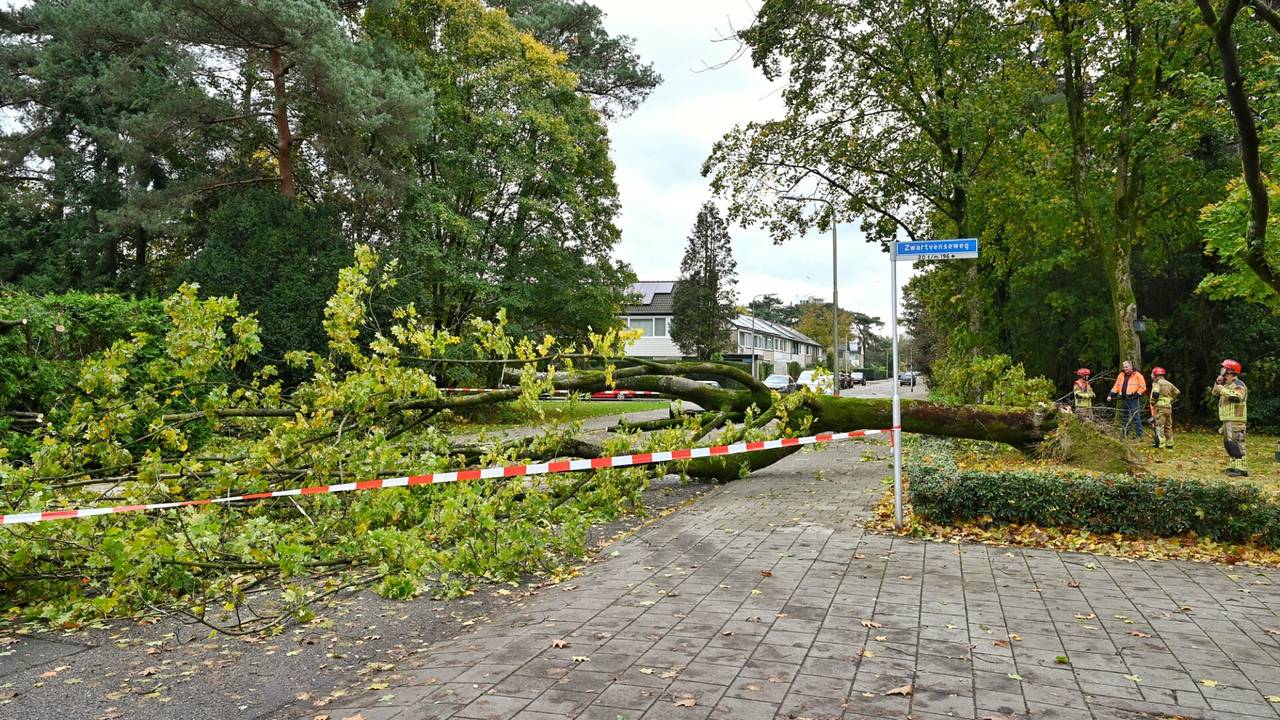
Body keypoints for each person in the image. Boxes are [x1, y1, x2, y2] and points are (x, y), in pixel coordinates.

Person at [1212, 359, 1248, 476]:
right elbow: (1215, 394)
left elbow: (1238, 397)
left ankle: (1242, 468)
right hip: (1227, 418)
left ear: (1230, 371)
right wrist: (1218, 383)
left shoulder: (1239, 385)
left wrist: (1222, 389)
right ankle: (1233, 466)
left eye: (1223, 368)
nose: (1221, 370)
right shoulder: (1225, 385)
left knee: (1237, 442)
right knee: (1228, 443)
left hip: (1236, 419)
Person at [1107, 360, 1147, 439]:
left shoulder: (1138, 375)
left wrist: (1136, 394)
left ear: (1131, 366)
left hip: (1133, 399)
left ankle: (1139, 435)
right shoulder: (1121, 375)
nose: (1125, 368)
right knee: (1124, 416)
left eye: (1126, 366)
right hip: (1124, 398)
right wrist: (1110, 395)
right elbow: (1116, 386)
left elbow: (1143, 387)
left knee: (1136, 416)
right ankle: (1125, 433)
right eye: (1124, 366)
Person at [1148, 367, 1179, 450]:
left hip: (1159, 407)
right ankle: (1170, 444)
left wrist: (1152, 402)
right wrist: (1170, 399)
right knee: (1168, 425)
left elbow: (1155, 394)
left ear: (1155, 375)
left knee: (1159, 425)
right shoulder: (1168, 383)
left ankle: (1161, 444)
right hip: (1168, 407)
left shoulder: (1157, 383)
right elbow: (1177, 392)